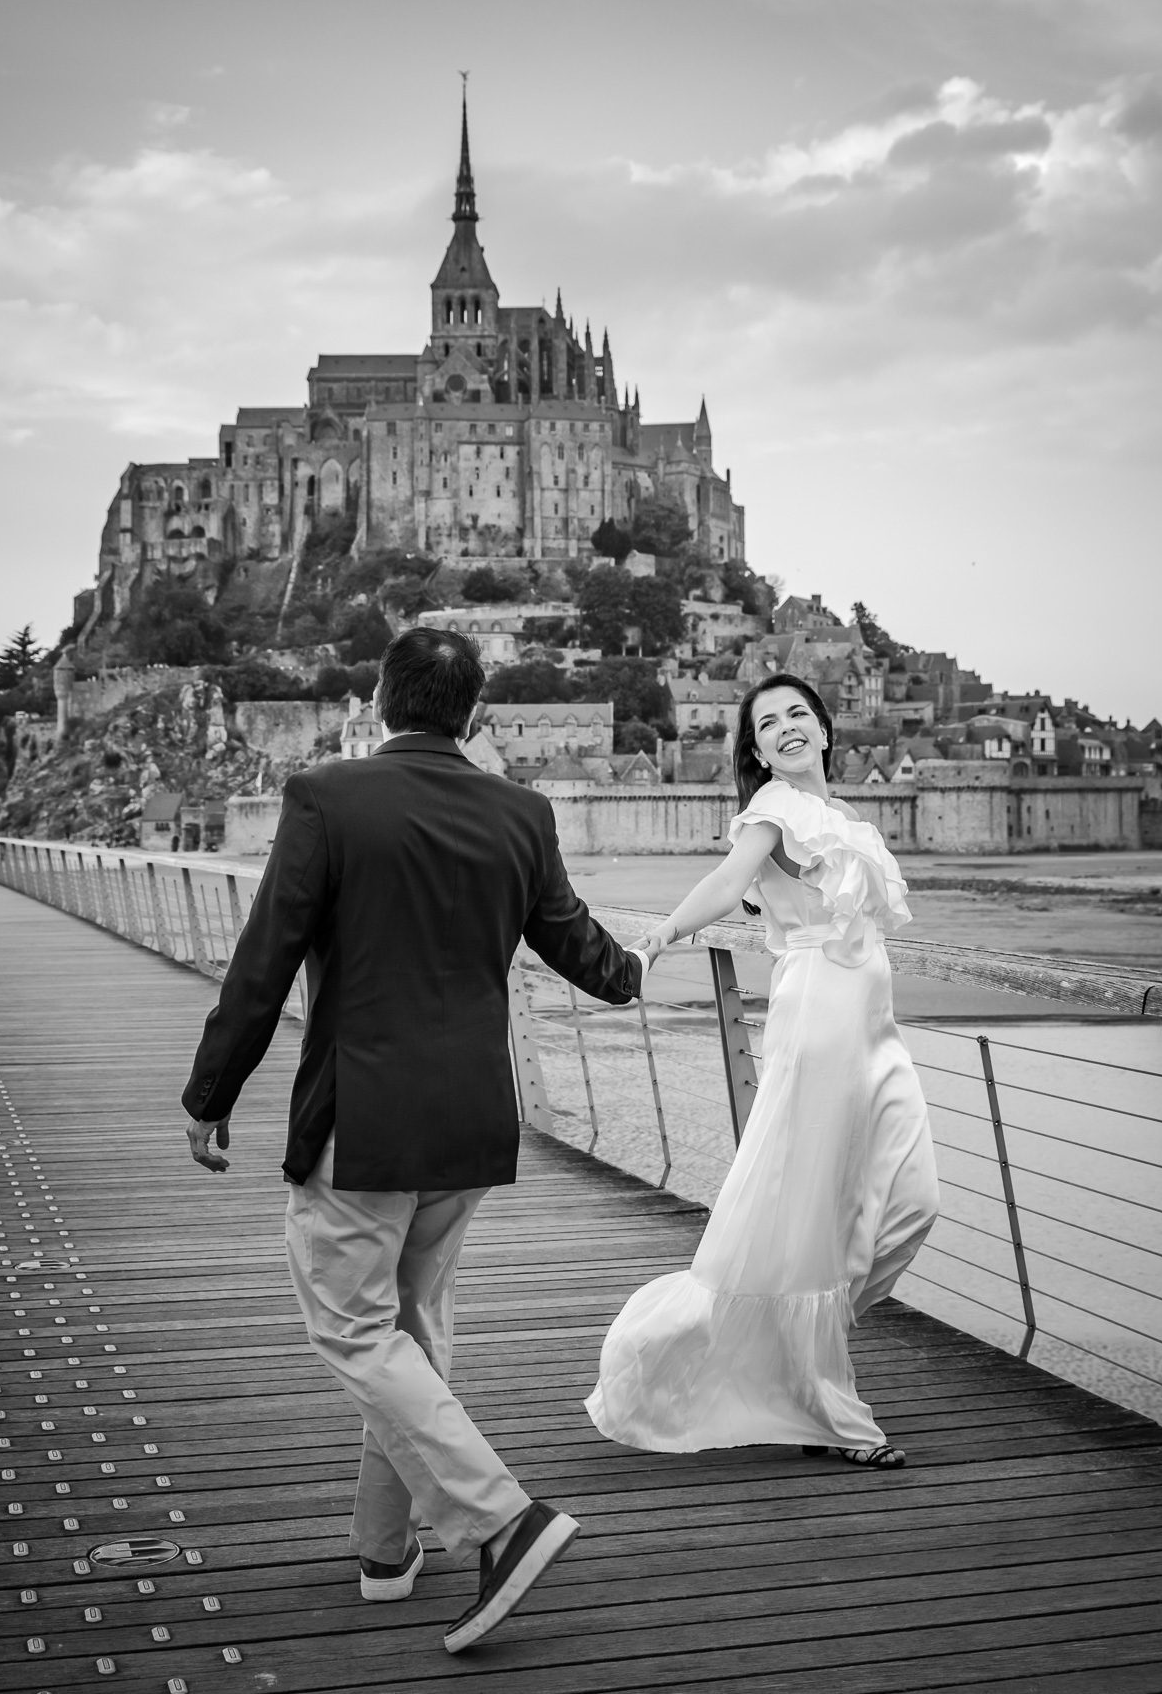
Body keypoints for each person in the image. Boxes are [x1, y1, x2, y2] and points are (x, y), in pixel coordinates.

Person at [181, 628, 646, 1654]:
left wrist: (212, 1091)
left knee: (354, 1333)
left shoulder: (326, 798)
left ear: (384, 701)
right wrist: (639, 967)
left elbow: (266, 960)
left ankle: (497, 1518)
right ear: (472, 715)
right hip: (472, 1120)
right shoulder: (520, 812)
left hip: (364, 1122)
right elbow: (582, 949)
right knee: (411, 1332)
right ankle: (384, 1553)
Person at [586, 673, 938, 1467]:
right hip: (815, 1023)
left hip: (877, 1034)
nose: (785, 727)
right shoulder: (774, 809)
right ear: (753, 747)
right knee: (809, 1220)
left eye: (797, 714)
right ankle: (831, 1410)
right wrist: (658, 937)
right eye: (766, 722)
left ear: (823, 727)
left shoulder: (847, 818)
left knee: (914, 1201)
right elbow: (728, 882)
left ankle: (794, 1357)